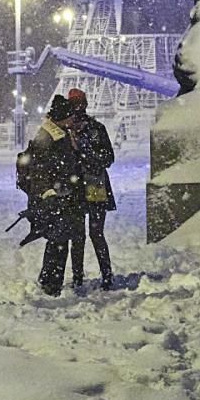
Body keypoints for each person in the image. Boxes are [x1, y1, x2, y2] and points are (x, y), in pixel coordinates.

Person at [22, 95, 85, 296]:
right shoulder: (48, 138)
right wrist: (49, 193)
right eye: (69, 116)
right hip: (54, 197)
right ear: (61, 117)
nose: (72, 119)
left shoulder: (60, 134)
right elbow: (40, 170)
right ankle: (51, 283)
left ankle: (49, 280)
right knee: (58, 241)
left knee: (58, 241)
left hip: (61, 195)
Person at [67, 88, 116, 290]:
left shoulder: (95, 129)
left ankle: (104, 274)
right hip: (79, 187)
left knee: (94, 234)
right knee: (80, 235)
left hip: (93, 185)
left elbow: (108, 158)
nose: (78, 108)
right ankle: (80, 276)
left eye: (80, 104)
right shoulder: (68, 131)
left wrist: (84, 152)